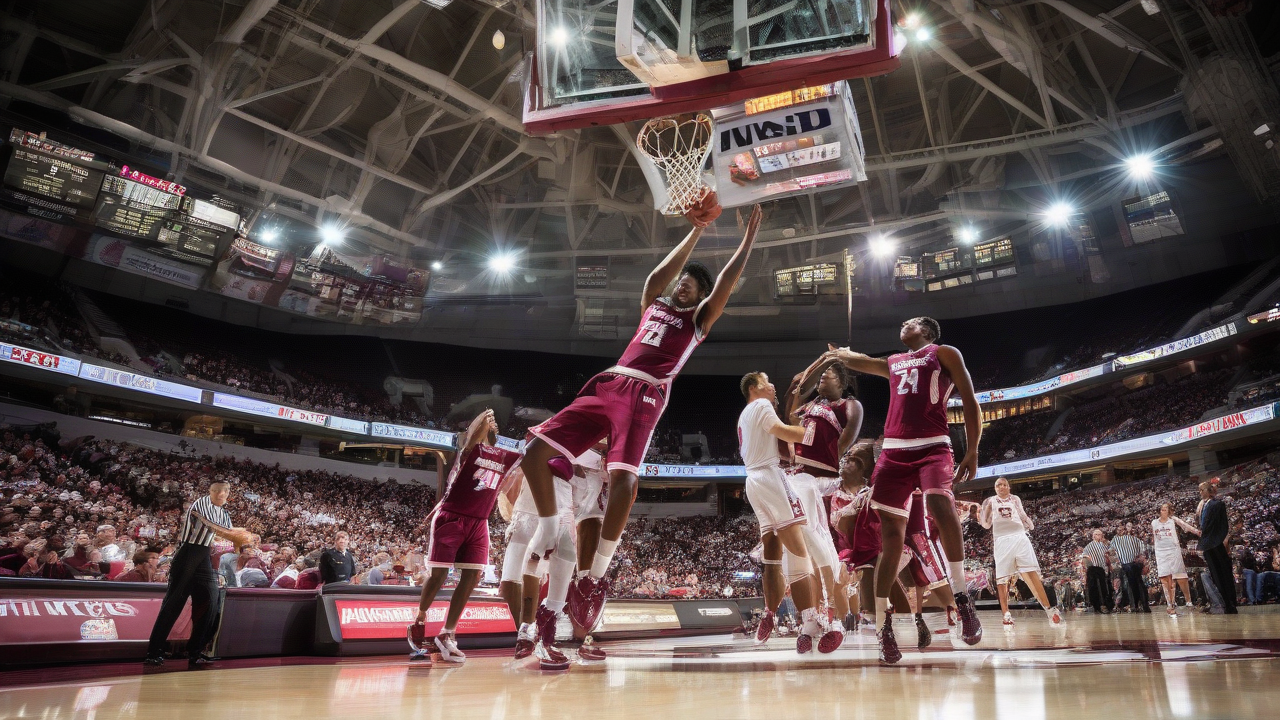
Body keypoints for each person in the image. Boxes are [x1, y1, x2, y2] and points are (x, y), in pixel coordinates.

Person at [520, 196, 759, 650]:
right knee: (535, 450)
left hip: (647, 389)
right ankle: (551, 526)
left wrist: (745, 241)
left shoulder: (699, 321)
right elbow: (654, 277)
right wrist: (697, 232)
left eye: (692, 285)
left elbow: (724, 283)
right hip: (609, 380)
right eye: (683, 282)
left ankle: (596, 574)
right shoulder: (654, 303)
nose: (683, 286)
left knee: (623, 478)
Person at [822, 316, 984, 664]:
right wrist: (840, 356)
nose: (903, 325)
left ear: (926, 330)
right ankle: (884, 628)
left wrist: (972, 449)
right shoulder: (894, 361)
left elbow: (970, 400)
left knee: (941, 503)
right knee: (889, 539)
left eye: (911, 322)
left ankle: (962, 596)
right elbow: (861, 361)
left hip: (933, 445)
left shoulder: (944, 353)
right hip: (894, 452)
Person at [738, 371, 843, 654]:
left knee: (773, 554)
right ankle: (817, 618)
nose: (773, 386)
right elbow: (788, 433)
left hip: (753, 482)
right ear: (755, 387)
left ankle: (773, 614)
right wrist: (812, 430)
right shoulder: (761, 406)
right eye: (768, 381)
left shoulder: (745, 414)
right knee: (800, 550)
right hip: (772, 479)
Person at [409, 410, 522, 665]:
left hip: (479, 522)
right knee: (438, 575)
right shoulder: (468, 453)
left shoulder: (504, 459)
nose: (494, 427)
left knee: (472, 577)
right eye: (490, 426)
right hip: (451, 517)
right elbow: (471, 439)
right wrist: (484, 420)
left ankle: (447, 634)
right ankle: (420, 618)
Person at [783, 359, 863, 631]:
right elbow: (789, 419)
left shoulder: (849, 405)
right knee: (807, 555)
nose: (821, 380)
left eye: (827, 375)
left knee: (826, 552)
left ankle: (839, 613)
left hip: (824, 479)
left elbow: (849, 435)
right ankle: (815, 613)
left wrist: (832, 459)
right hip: (800, 478)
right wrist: (799, 383)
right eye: (820, 377)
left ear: (841, 381)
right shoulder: (809, 406)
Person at [143, 479, 251, 668]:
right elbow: (214, 528)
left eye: (224, 491)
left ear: (228, 493)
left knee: (210, 602)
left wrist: (241, 542)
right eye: (216, 490)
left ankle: (195, 652)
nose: (220, 494)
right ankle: (154, 651)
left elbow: (230, 536)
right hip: (188, 553)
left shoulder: (224, 512)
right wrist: (238, 535)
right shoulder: (201, 503)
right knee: (173, 603)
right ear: (210, 491)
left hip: (203, 556)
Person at [974, 477, 1062, 626]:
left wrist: (1030, 524)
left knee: (1031, 573)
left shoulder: (1015, 499)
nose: (1001, 487)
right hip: (1002, 540)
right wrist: (979, 517)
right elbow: (987, 524)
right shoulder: (990, 502)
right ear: (995, 488)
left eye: (1004, 484)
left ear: (1009, 487)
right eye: (998, 485)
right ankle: (1006, 614)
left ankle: (1049, 610)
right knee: (1002, 579)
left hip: (1020, 538)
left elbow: (1022, 515)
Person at [1151, 502, 1199, 616]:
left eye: (1166, 509)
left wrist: (1197, 532)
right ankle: (1170, 604)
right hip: (1161, 553)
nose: (1164, 511)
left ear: (1170, 511)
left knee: (1181, 576)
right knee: (1165, 579)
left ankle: (1189, 602)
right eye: (1162, 509)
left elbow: (1186, 526)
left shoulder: (1173, 520)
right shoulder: (1154, 523)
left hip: (1174, 551)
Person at [1196, 480, 1236, 614]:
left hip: (1216, 544)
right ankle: (1223, 603)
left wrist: (1218, 541)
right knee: (1215, 576)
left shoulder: (1217, 504)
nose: (1200, 492)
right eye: (1199, 490)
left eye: (1202, 490)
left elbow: (1223, 525)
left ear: (1208, 490)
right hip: (1207, 545)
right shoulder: (1202, 507)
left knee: (1224, 573)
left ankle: (1231, 603)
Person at [1110, 525, 1150, 613]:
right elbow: (1110, 552)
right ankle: (1138, 605)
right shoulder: (1117, 540)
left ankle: (1138, 605)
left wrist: (1143, 560)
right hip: (1128, 564)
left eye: (1122, 529)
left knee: (1135, 585)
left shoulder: (1131, 539)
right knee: (1135, 584)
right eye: (1119, 530)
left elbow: (1144, 549)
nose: (1121, 531)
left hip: (1131, 564)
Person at [1082, 529, 1114, 614]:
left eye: (1100, 534)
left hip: (1102, 569)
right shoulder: (1089, 546)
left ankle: (1105, 605)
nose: (1098, 536)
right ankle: (1097, 606)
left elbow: (1111, 550)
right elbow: (1084, 556)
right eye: (1096, 534)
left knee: (1104, 588)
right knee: (1096, 588)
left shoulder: (1104, 545)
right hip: (1093, 568)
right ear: (1093, 536)